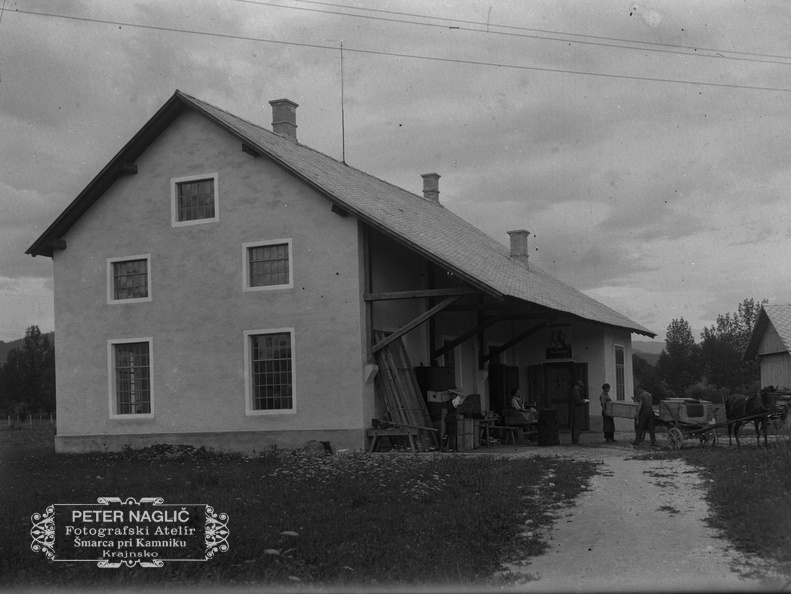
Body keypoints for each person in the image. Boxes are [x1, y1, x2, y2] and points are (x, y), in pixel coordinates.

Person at [569, 379, 588, 445]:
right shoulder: (575, 391)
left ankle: (575, 441)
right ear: (577, 386)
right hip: (577, 412)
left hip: (575, 411)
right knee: (577, 426)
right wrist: (583, 401)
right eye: (580, 387)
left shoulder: (574, 391)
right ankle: (575, 441)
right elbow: (578, 401)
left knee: (576, 427)